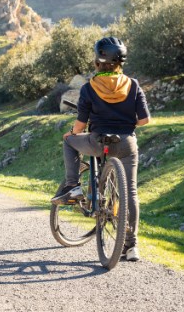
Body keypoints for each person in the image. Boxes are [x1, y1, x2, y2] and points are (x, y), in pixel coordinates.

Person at [51, 36, 151, 262]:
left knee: (68, 141)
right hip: (126, 143)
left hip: (97, 142)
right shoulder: (133, 85)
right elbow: (145, 120)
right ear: (120, 63)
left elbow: (80, 124)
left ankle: (73, 187)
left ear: (97, 61)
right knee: (131, 192)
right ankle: (131, 246)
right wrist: (126, 121)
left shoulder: (89, 88)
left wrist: (72, 133)